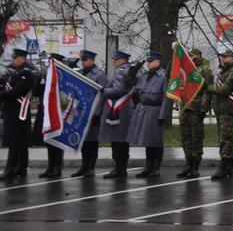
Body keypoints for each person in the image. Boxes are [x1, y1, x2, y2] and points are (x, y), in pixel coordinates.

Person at [127, 51, 171, 178]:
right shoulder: (145, 75)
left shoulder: (163, 76)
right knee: (147, 140)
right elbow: (132, 84)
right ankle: (148, 166)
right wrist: (133, 70)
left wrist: (163, 116)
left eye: (151, 61)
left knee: (156, 141)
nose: (148, 63)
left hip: (155, 111)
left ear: (157, 62)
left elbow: (166, 98)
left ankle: (155, 167)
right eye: (148, 61)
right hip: (144, 109)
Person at [99, 50, 139, 178]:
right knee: (119, 139)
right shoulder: (127, 70)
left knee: (118, 139)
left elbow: (118, 90)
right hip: (123, 110)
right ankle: (120, 167)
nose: (114, 61)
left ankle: (120, 168)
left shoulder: (123, 71)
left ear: (122, 60)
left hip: (121, 109)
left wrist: (103, 91)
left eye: (115, 59)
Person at [175, 48, 213, 178]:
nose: (190, 58)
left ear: (197, 56)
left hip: (196, 110)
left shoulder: (205, 70)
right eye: (189, 56)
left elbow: (207, 92)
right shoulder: (186, 70)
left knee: (196, 138)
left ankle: (195, 166)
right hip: (185, 108)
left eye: (191, 56)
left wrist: (203, 109)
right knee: (186, 138)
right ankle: (188, 164)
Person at [0, 48, 35, 180]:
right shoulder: (18, 72)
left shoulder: (25, 73)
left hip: (18, 111)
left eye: (15, 58)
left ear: (22, 59)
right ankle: (20, 168)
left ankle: (12, 169)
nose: (13, 60)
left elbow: (17, 92)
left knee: (15, 141)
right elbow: (10, 89)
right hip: (13, 111)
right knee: (18, 141)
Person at [73, 50, 108, 177]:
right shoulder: (81, 73)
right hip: (81, 111)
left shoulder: (100, 75)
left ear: (92, 60)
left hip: (93, 112)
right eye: (82, 60)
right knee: (83, 141)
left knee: (92, 141)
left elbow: (102, 96)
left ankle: (91, 167)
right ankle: (84, 166)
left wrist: (97, 114)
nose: (82, 62)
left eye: (85, 60)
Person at [208, 49, 233, 180]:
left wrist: (209, 87)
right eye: (221, 57)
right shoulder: (225, 72)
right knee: (225, 140)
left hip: (228, 111)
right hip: (221, 110)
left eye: (225, 57)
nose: (222, 59)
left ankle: (224, 168)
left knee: (225, 140)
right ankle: (230, 168)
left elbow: (225, 90)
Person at [34, 53, 67, 178]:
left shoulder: (62, 76)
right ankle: (50, 167)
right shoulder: (47, 76)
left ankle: (57, 167)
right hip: (46, 111)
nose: (49, 64)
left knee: (57, 140)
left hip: (58, 112)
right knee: (49, 140)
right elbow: (36, 92)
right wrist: (40, 79)